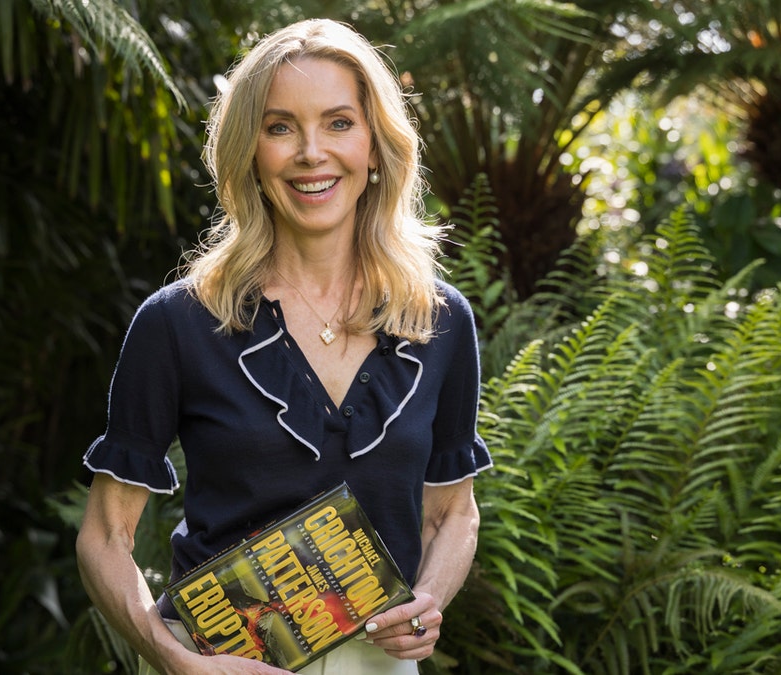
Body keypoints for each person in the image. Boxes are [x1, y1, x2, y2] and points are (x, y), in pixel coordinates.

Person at [76, 18, 492, 675]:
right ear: (249, 150)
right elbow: (105, 534)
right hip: (215, 662)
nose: (309, 153)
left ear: (377, 146)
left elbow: (451, 513)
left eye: (338, 123)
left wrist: (430, 599)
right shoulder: (177, 322)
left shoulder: (440, 321)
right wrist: (174, 658)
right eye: (279, 127)